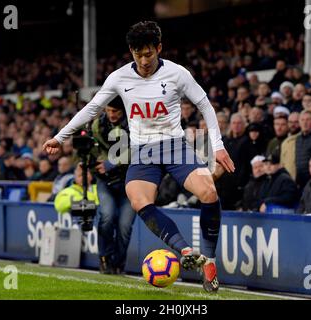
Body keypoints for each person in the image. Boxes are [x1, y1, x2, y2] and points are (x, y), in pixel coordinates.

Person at [43, 21, 235, 292]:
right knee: (138, 201)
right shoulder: (119, 77)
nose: (144, 60)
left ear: (159, 48)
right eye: (137, 54)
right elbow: (92, 108)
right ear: (131, 51)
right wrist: (60, 136)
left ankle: (210, 262)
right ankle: (186, 250)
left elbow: (205, 105)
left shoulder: (177, 73)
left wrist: (218, 145)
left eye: (148, 53)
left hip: (174, 146)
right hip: (143, 151)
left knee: (208, 192)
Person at [90, 97, 136, 275]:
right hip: (105, 181)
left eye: (115, 111)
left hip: (129, 182)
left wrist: (113, 162)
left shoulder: (134, 125)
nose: (111, 115)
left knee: (125, 226)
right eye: (108, 111)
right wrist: (90, 161)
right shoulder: (97, 126)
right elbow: (91, 149)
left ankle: (118, 264)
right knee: (107, 217)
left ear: (123, 111)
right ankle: (104, 258)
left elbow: (139, 148)